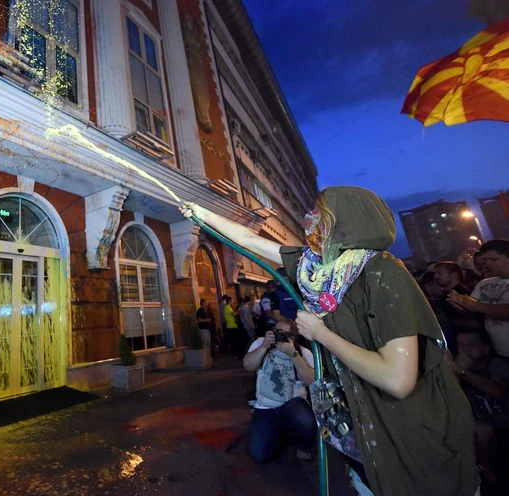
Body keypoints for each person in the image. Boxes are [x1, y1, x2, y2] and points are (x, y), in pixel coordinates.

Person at [181, 186, 479, 496]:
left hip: (407, 425)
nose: (309, 219)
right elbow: (250, 240)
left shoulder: (382, 271)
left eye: (319, 213)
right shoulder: (316, 269)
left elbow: (397, 379)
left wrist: (320, 333)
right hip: (363, 421)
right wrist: (202, 214)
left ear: (346, 221)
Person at [243, 320, 316, 463]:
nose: (279, 337)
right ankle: (275, 434)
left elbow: (312, 381)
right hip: (265, 407)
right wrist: (264, 346)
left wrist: (293, 354)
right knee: (259, 455)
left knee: (304, 418)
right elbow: (248, 365)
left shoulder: (302, 352)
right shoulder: (261, 343)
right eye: (276, 332)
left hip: (293, 406)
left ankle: (303, 447)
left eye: (284, 334)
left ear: (293, 337)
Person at [449, 329, 509, 486]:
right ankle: (485, 471)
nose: (466, 349)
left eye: (471, 344)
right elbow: (452, 397)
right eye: (461, 344)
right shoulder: (460, 367)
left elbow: (495, 390)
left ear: (486, 348)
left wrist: (461, 371)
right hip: (487, 422)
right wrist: (455, 371)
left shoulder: (497, 365)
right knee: (480, 430)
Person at [449, 240, 509, 359]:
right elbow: (475, 313)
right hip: (498, 353)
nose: (487, 264)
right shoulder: (484, 283)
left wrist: (477, 306)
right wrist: (463, 306)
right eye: (485, 260)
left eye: (493, 260)